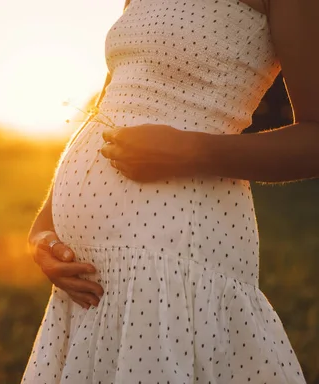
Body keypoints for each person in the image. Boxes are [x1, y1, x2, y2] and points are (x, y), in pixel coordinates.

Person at [22, 0, 318, 382]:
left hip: (173, 256)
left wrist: (192, 150)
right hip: (91, 272)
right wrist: (44, 229)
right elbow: (109, 105)